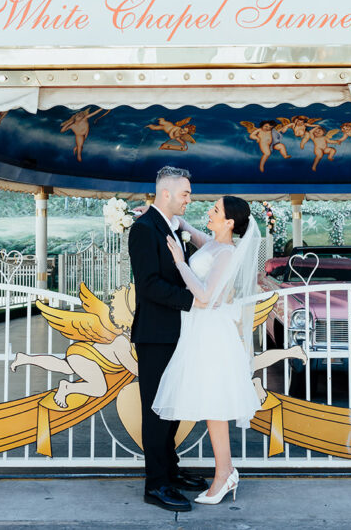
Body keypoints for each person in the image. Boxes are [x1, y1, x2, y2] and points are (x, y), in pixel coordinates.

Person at [153, 195, 262, 505]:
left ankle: (224, 475)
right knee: (213, 408)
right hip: (200, 330)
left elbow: (203, 296)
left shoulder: (226, 253)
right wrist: (172, 218)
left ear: (229, 222)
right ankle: (226, 471)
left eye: (215, 210)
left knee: (215, 408)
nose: (208, 212)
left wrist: (179, 262)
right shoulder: (213, 243)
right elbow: (197, 235)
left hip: (211, 332)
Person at [127, 166, 206, 512]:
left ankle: (170, 471)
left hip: (177, 333)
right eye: (186, 193)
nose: (190, 199)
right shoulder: (144, 229)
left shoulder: (169, 226)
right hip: (156, 335)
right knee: (156, 411)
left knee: (171, 409)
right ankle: (155, 483)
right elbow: (148, 286)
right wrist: (194, 301)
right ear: (166, 194)